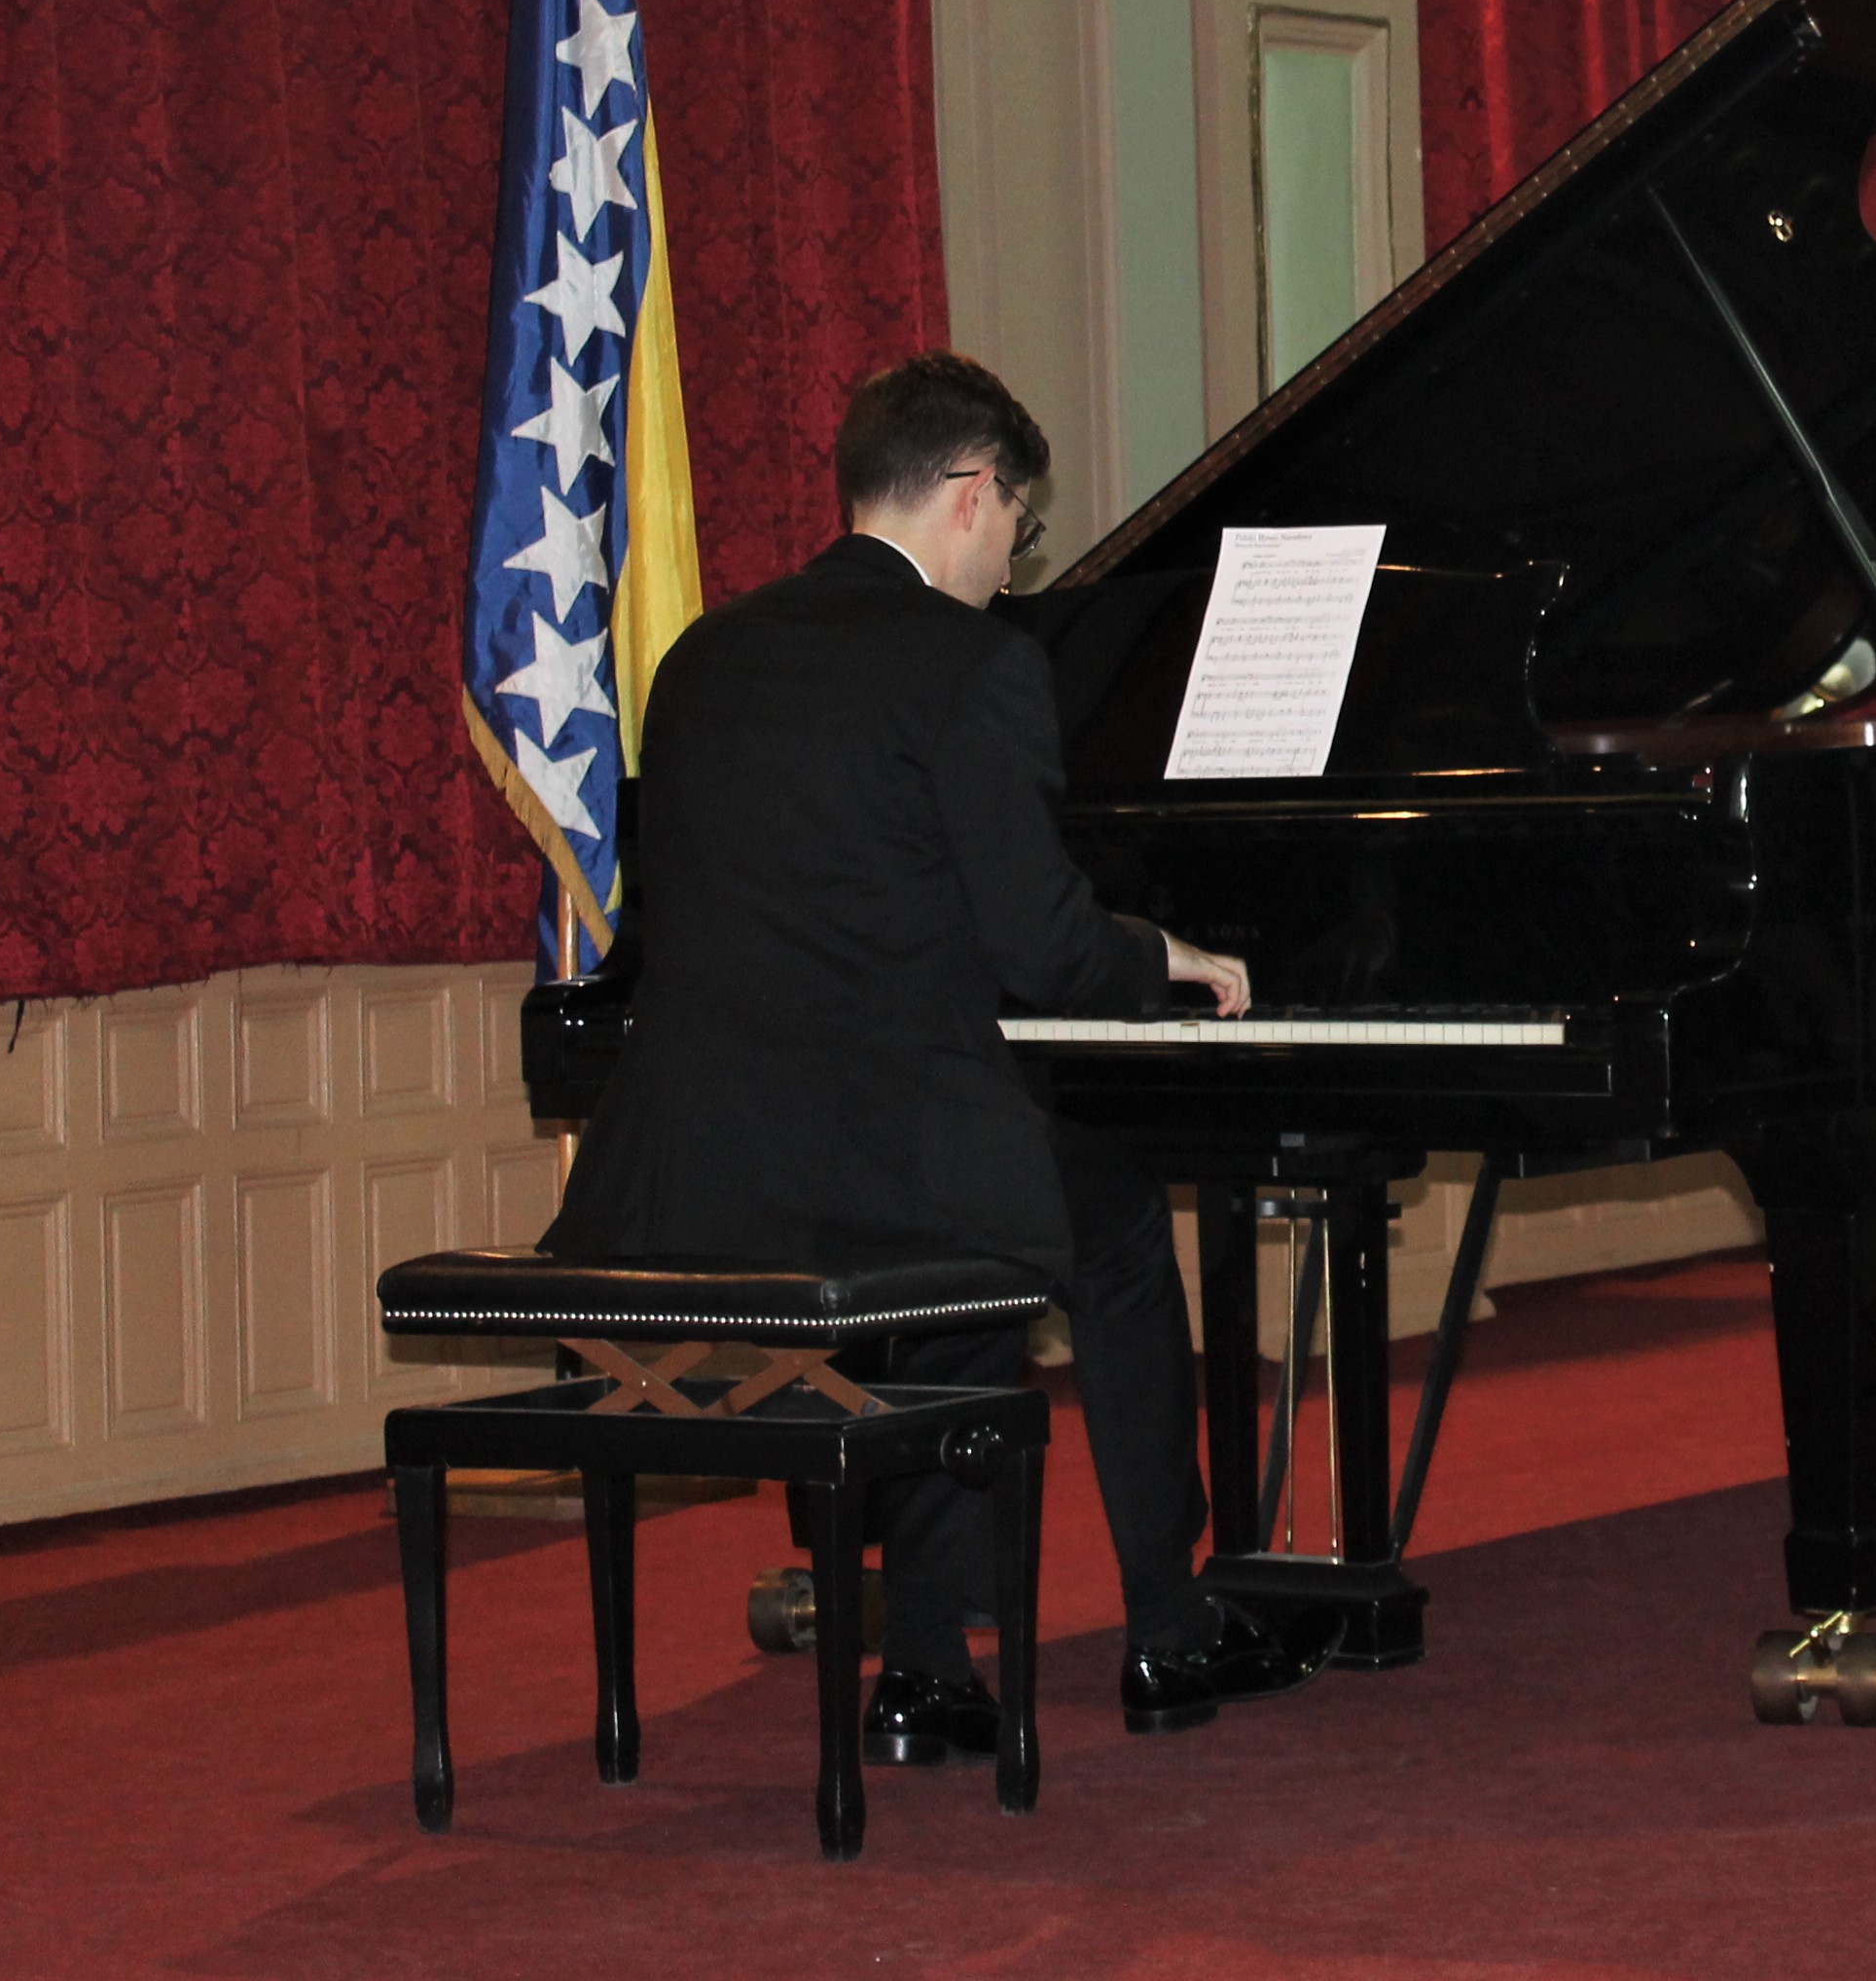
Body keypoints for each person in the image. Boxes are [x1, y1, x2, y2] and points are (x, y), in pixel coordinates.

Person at [543, 351, 1314, 1761]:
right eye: (1019, 521)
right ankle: (1168, 1624)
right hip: (878, 1154)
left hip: (696, 1162)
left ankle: (924, 1666)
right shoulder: (974, 664)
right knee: (1108, 1223)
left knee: (983, 1233)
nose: (1017, 561)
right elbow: (1046, 951)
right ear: (971, 490)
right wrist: (1161, 953)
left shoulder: (704, 656)